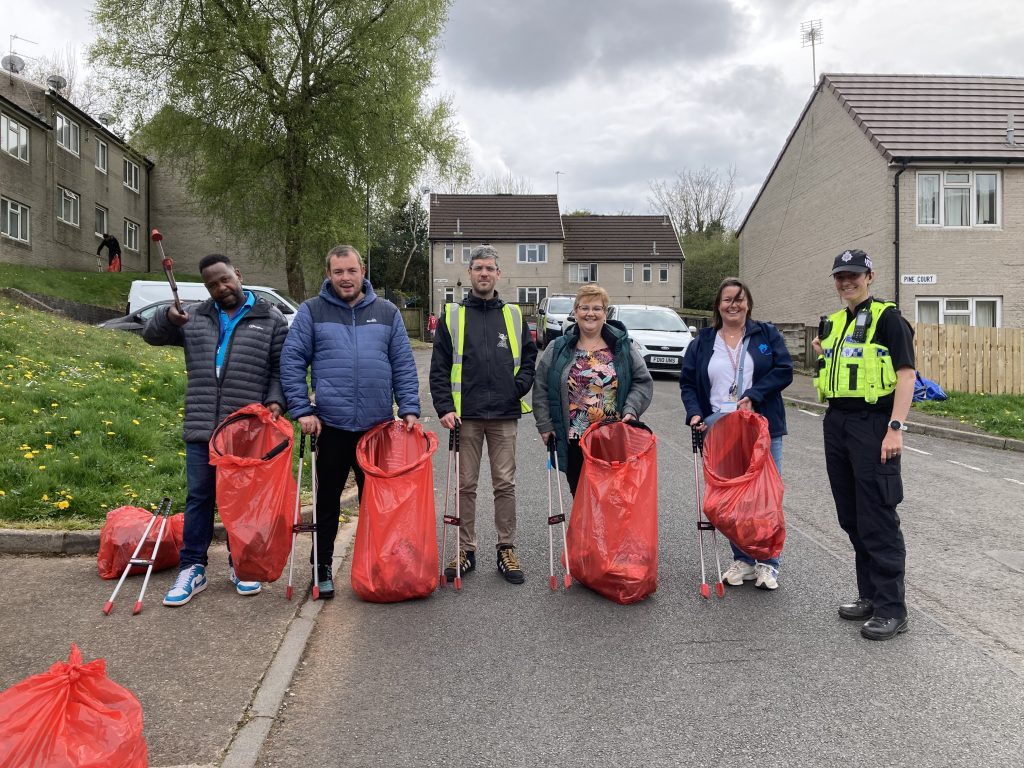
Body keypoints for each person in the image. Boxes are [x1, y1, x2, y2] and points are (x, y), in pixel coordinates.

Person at [143, 254, 288, 606]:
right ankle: (192, 568)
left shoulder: (270, 318)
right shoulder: (193, 317)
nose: (221, 288)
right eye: (212, 284)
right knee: (200, 498)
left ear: (238, 274)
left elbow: (279, 369)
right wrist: (166, 317)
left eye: (225, 279)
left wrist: (275, 402)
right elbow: (151, 335)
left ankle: (242, 563)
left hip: (244, 429)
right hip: (202, 423)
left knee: (243, 502)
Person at [281, 245, 420, 599]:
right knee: (327, 502)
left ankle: (381, 564)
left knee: (380, 505)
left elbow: (403, 364)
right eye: (338, 271)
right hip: (331, 425)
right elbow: (292, 361)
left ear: (363, 272)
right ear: (329, 274)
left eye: (351, 270)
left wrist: (409, 409)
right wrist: (302, 410)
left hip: (377, 428)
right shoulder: (312, 311)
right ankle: (321, 567)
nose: (345, 278)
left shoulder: (387, 312)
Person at [812, 249, 915, 641]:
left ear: (869, 276)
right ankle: (869, 596)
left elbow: (907, 375)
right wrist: (824, 355)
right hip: (837, 422)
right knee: (851, 515)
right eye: (840, 276)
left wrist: (895, 427)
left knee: (877, 516)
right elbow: (832, 369)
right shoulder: (836, 322)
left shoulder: (889, 319)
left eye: (853, 275)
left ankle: (893, 609)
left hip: (874, 424)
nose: (846, 282)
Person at [430, 244, 537, 584]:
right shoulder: (453, 315)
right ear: (470, 274)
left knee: (505, 484)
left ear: (498, 274)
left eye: (489, 268)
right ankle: (465, 550)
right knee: (466, 486)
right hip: (467, 416)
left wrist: (517, 387)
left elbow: (531, 358)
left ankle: (506, 548)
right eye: (478, 268)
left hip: (504, 414)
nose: (484, 274)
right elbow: (439, 367)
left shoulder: (515, 315)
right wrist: (444, 407)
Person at [680, 277, 793, 590]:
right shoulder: (703, 342)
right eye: (728, 299)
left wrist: (755, 394)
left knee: (764, 497)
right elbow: (688, 383)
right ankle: (742, 559)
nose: (734, 304)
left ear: (749, 304)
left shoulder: (765, 335)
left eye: (740, 299)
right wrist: (694, 412)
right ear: (718, 305)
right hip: (721, 428)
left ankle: (768, 563)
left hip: (762, 427)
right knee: (730, 498)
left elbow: (783, 370)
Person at [533, 284, 653, 495]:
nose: (590, 313)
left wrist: (631, 410)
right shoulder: (558, 347)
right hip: (574, 438)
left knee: (611, 497)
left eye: (597, 308)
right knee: (580, 496)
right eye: (584, 308)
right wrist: (545, 424)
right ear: (576, 312)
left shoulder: (622, 347)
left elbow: (642, 381)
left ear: (605, 313)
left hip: (611, 437)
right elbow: (541, 387)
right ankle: (584, 530)